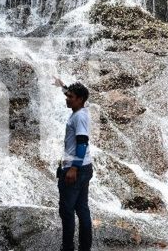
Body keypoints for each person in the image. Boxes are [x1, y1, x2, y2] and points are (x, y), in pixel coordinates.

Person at [53, 77, 93, 251]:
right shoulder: (80, 111)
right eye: (66, 95)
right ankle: (85, 248)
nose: (67, 98)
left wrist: (74, 168)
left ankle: (67, 247)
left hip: (76, 168)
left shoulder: (79, 118)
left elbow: (82, 142)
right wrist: (62, 86)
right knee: (82, 208)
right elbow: (74, 92)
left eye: (70, 96)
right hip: (85, 167)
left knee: (67, 210)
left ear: (80, 100)